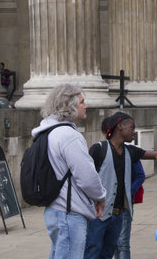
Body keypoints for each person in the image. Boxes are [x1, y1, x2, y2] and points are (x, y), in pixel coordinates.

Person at [31, 84, 106, 259]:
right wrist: (100, 197)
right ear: (69, 106)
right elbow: (87, 177)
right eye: (82, 102)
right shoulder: (68, 135)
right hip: (69, 213)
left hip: (56, 210)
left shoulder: (47, 132)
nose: (86, 105)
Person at [84, 112, 157, 259]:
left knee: (108, 253)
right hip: (98, 215)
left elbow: (156, 154)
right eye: (132, 127)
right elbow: (86, 179)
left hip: (118, 216)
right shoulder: (99, 149)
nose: (134, 132)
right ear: (119, 127)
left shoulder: (130, 151)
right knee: (92, 252)